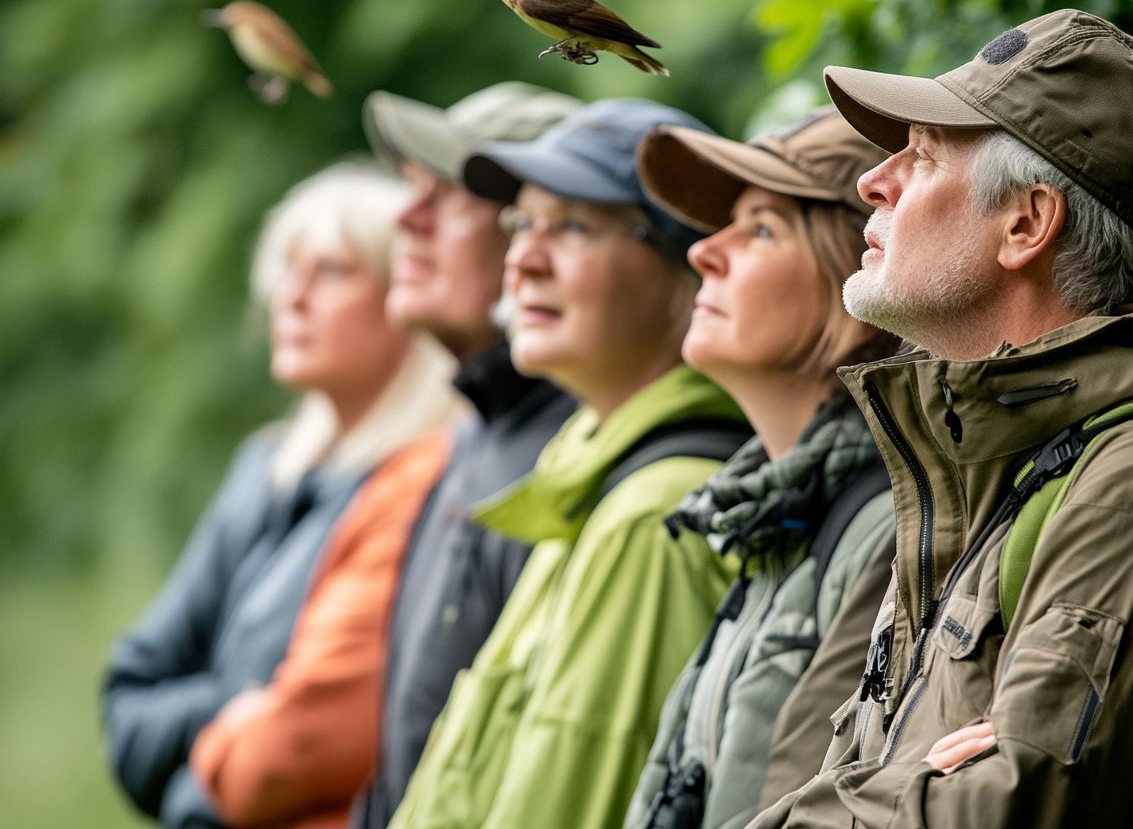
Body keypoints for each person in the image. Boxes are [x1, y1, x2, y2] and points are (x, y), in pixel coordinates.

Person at [748, 8, 1133, 829]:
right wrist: (909, 784)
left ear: (1027, 224)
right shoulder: (1000, 466)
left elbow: (1010, 811)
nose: (874, 180)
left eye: (924, 155)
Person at [388, 99, 752, 829]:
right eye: (521, 223)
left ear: (692, 271)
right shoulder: (585, 474)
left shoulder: (653, 518)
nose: (522, 258)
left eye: (573, 227)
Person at [103, 162, 461, 829]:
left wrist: (212, 754)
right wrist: (240, 706)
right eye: (285, 270)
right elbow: (128, 702)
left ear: (404, 295)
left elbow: (312, 745)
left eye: (331, 272)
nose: (290, 297)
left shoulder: (429, 485)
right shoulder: (268, 467)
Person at [621, 109, 900, 829]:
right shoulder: (768, 514)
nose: (703, 253)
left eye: (763, 229)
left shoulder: (883, 525)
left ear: (862, 279)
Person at [349, 81, 583, 829]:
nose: (404, 219)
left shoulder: (572, 458)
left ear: (533, 231)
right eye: (408, 189)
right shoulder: (481, 431)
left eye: (444, 193)